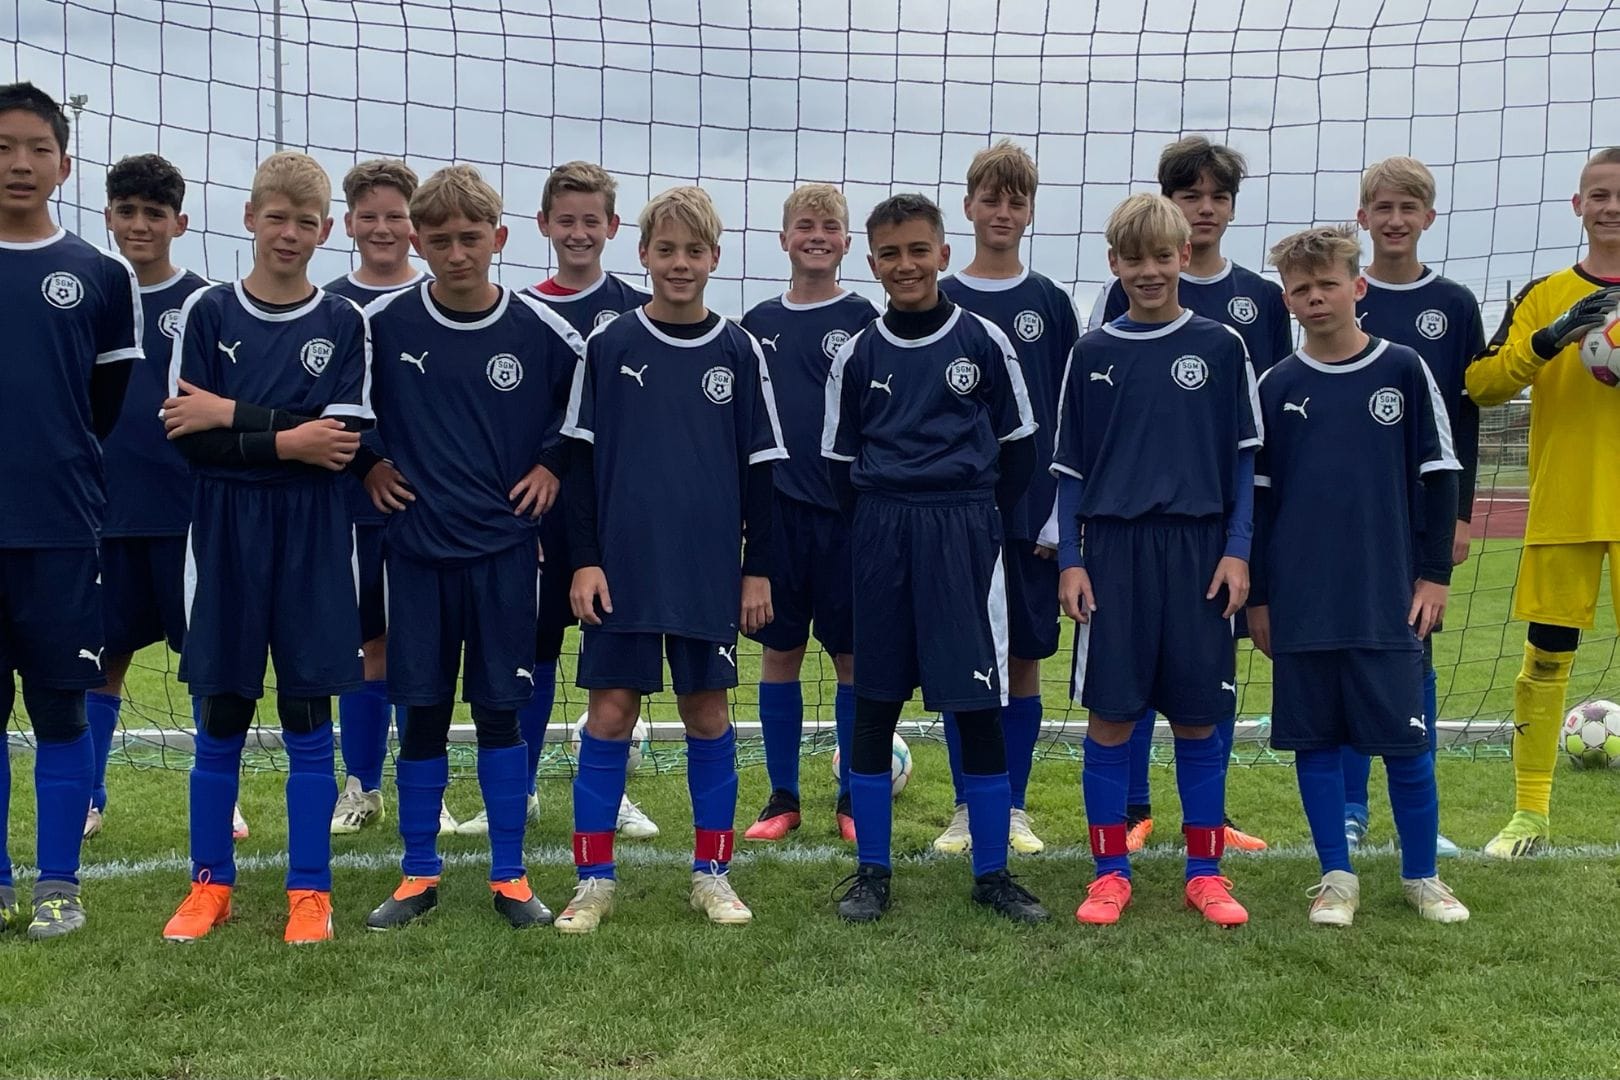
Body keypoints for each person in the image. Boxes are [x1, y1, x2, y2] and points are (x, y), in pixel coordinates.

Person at [356, 165, 583, 930]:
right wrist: (369, 465)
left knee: (498, 713)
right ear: (417, 242)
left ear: (500, 237)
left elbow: (584, 414)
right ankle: (418, 873)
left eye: (471, 237)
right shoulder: (380, 326)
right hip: (416, 556)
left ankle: (510, 876)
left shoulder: (542, 332)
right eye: (441, 239)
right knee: (420, 714)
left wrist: (552, 464)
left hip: (504, 555)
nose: (457, 253)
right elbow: (344, 408)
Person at [554, 186, 784, 933]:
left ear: (714, 258)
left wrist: (756, 568)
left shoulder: (738, 350)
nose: (679, 263)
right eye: (666, 250)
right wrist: (584, 561)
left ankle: (712, 874)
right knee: (610, 713)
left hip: (706, 570)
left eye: (693, 251)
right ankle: (593, 881)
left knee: (707, 712)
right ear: (644, 254)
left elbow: (762, 470)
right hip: (621, 568)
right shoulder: (610, 344)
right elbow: (578, 465)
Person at [157, 150, 371, 945]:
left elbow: (340, 441)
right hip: (225, 529)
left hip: (315, 532)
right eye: (276, 217)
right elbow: (189, 437)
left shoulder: (343, 321)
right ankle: (209, 884)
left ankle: (310, 891)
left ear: (325, 231)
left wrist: (232, 414)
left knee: (307, 710)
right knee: (222, 709)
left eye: (305, 222)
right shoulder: (209, 312)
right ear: (250, 218)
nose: (289, 233)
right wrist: (286, 436)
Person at [825, 193, 1048, 925]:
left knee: (977, 703)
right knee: (875, 701)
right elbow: (838, 466)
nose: (906, 264)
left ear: (943, 254)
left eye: (918, 250)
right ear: (872, 263)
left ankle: (992, 874)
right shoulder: (858, 353)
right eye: (890, 254)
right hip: (882, 533)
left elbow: (1020, 452)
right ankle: (872, 873)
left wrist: (970, 517)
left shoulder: (982, 340)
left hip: (964, 533)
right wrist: (886, 518)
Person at [1248, 223, 1468, 925]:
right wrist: (1260, 597)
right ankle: (1336, 880)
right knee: (1315, 744)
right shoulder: (1276, 385)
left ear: (1358, 286)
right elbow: (1259, 500)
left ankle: (1422, 877)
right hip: (1304, 600)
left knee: (1407, 747)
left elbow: (1441, 475)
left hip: (1387, 596)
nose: (1316, 298)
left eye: (1328, 284)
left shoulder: (1403, 368)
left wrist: (1433, 576)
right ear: (1287, 300)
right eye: (1301, 289)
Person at [1055, 193, 1257, 929]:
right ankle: (1110, 873)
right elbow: (1070, 469)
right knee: (1111, 718)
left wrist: (1238, 550)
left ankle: (1205, 873)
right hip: (1113, 554)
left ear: (1184, 257)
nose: (1148, 271)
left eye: (1161, 257)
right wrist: (1070, 559)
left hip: (1199, 553)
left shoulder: (1221, 347)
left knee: (1200, 722)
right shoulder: (1091, 353)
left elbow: (1244, 461)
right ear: (1114, 262)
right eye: (1133, 258)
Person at [454, 161, 660, 842]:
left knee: (614, 659)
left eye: (590, 221)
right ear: (542, 224)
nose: (578, 232)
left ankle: (612, 792)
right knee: (532, 653)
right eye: (565, 220)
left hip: (615, 517)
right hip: (538, 514)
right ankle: (520, 789)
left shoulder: (638, 308)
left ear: (612, 226)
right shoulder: (519, 312)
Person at [1094, 136, 1289, 855]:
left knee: (1205, 683)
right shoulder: (1118, 307)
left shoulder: (1256, 303)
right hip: (1130, 534)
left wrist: (1247, 536)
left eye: (1217, 196)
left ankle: (1211, 821)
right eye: (1190, 195)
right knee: (1130, 679)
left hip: (1214, 526)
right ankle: (1133, 810)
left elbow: (1261, 424)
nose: (1204, 208)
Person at [0, 82, 142, 939]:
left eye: (37, 149)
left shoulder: (98, 274)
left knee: (61, 709)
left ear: (63, 163)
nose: (19, 163)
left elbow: (101, 406)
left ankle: (58, 884)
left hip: (57, 529)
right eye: (2, 147)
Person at [1465, 148, 1620, 859]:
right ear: (1578, 206)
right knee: (1546, 661)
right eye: (1599, 194)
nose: (1612, 207)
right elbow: (1483, 384)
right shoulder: (1544, 293)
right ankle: (1530, 814)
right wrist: (1552, 338)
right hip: (1566, 505)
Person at [92, 153, 250, 844]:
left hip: (191, 517)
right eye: (127, 211)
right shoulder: (92, 296)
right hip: (104, 513)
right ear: (108, 216)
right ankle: (90, 793)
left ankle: (223, 795)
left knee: (208, 663)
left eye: (154, 213)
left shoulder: (205, 305)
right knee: (98, 661)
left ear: (179, 223)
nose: (139, 225)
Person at [933, 140, 1079, 857]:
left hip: (1030, 516)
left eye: (1015, 201)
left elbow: (1072, 414)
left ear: (1029, 212)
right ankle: (967, 805)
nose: (1002, 211)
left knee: (1023, 659)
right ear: (968, 207)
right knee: (964, 660)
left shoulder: (1050, 302)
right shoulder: (940, 296)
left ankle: (1013, 805)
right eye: (990, 199)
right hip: (955, 515)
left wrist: (1059, 512)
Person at [1342, 156, 1486, 857]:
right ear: (1363, 218)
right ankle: (1350, 808)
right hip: (1349, 513)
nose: (1395, 220)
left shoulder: (1453, 304)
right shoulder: (1344, 292)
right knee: (1345, 649)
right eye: (1383, 208)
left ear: (1428, 217)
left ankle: (1415, 815)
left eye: (1408, 208)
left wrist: (1458, 513)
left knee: (1413, 651)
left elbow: (1467, 416)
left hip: (1420, 513)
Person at [740, 182, 877, 844]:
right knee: (780, 653)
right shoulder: (757, 322)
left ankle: (851, 795)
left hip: (848, 517)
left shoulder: (866, 317)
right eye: (804, 225)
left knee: (852, 659)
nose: (816, 236)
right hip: (779, 517)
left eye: (829, 226)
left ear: (847, 242)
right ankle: (782, 797)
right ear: (784, 239)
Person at [320, 159, 445, 836]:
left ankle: (425, 778)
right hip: (353, 506)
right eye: (368, 216)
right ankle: (362, 784)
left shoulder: (441, 296)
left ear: (415, 225)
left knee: (422, 647)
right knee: (366, 645)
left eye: (396, 215)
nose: (383, 228)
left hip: (432, 508)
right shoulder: (332, 304)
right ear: (347, 224)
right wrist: (366, 465)